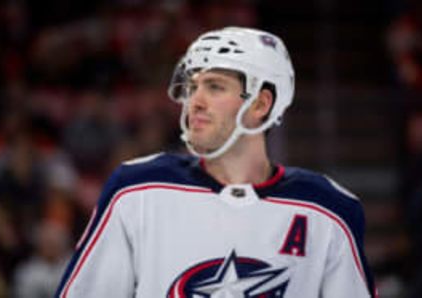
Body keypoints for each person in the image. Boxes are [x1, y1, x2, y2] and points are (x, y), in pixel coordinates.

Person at [55, 27, 377, 297]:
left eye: (215, 87)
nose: (195, 101)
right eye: (193, 86)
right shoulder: (137, 190)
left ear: (261, 103)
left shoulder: (329, 210)